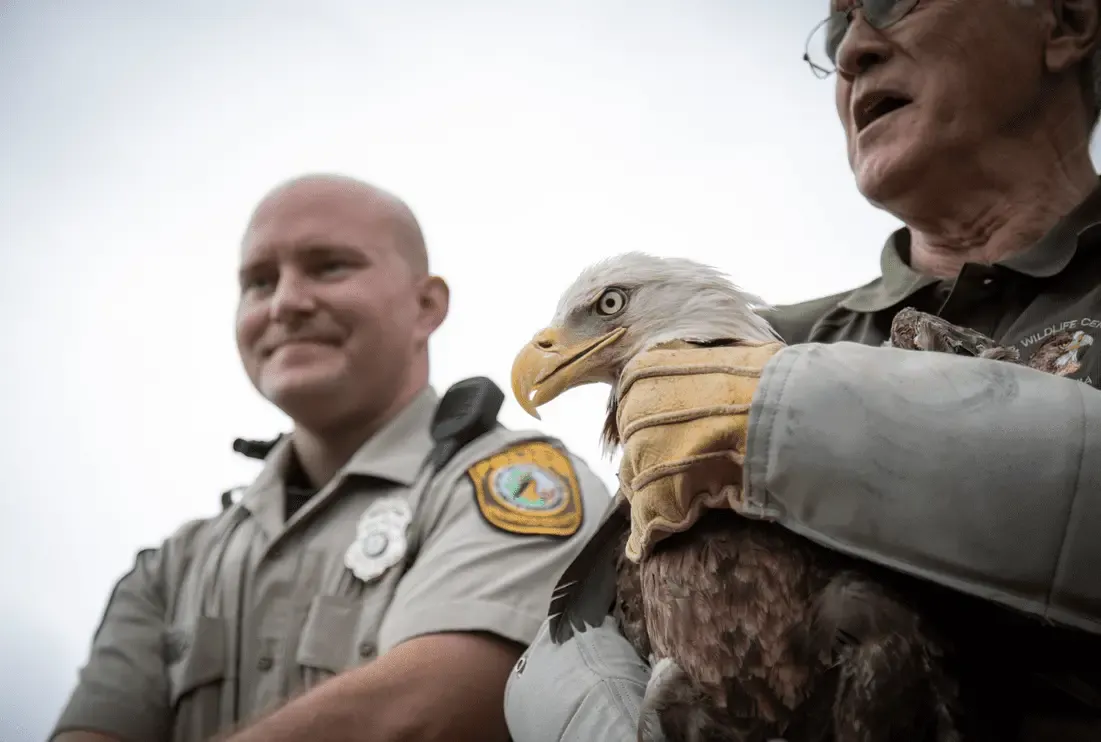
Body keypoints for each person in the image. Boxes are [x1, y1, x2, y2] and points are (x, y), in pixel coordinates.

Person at [504, 1, 1101, 740]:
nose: (853, 48)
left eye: (891, 1)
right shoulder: (754, 347)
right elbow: (562, 646)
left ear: (1066, 22)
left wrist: (795, 417)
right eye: (836, 26)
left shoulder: (759, 374)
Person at [50, 173, 613, 742]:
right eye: (259, 281)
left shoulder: (520, 486)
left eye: (329, 267)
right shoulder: (172, 569)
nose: (286, 303)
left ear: (426, 305)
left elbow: (427, 712)